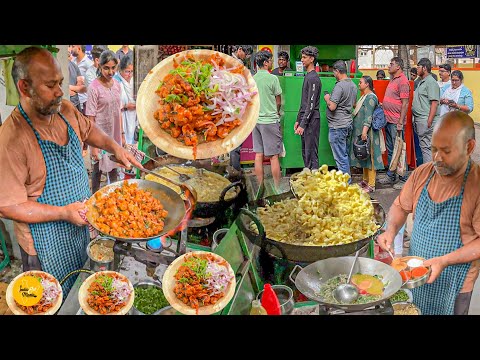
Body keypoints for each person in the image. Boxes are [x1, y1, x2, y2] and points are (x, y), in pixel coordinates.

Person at [0, 47, 141, 295]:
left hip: (79, 226)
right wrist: (64, 212)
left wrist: (114, 147)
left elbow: (88, 130)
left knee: (80, 290)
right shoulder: (11, 139)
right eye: (50, 85)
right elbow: (8, 205)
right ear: (24, 88)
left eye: (61, 83)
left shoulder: (63, 109)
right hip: (44, 243)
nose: (59, 92)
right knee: (50, 300)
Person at [377, 111, 480, 315]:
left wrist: (443, 261)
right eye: (433, 149)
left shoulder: (475, 185)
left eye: (446, 151)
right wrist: (391, 231)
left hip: (455, 283)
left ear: (469, 147)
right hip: (417, 276)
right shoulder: (423, 173)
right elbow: (400, 206)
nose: (437, 158)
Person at [86, 50, 125, 193]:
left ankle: (113, 197)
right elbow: (90, 117)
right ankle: (94, 196)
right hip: (99, 134)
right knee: (97, 170)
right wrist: (93, 146)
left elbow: (118, 111)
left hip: (114, 133)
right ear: (100, 67)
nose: (110, 72)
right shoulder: (94, 88)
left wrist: (122, 134)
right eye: (106, 68)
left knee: (114, 165)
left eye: (113, 68)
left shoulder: (117, 85)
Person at [252, 51, 283, 194]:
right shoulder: (273, 79)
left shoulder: (252, 79)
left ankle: (260, 187)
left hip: (256, 121)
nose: (272, 63)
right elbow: (278, 100)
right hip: (270, 121)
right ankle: (277, 188)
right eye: (270, 60)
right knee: (273, 156)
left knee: (258, 154)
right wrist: (276, 111)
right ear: (265, 63)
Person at [378, 57, 411, 189]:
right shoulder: (392, 79)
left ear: (398, 67)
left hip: (396, 121)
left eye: (391, 64)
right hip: (388, 120)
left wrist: (400, 122)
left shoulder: (403, 81)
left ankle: (403, 178)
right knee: (392, 149)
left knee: (400, 150)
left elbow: (405, 103)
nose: (388, 66)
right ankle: (391, 175)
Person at [349, 76, 382, 193]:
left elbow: (368, 116)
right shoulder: (364, 97)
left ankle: (371, 185)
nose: (358, 84)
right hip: (363, 132)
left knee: (371, 157)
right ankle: (365, 181)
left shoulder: (370, 98)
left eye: (360, 82)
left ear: (367, 84)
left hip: (369, 133)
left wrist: (364, 131)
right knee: (364, 156)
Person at [324, 59, 357, 178]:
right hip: (348, 124)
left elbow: (332, 106)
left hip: (337, 126)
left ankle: (345, 184)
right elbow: (354, 104)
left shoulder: (339, 86)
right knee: (345, 155)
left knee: (340, 157)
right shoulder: (353, 85)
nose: (333, 75)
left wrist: (327, 98)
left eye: (334, 72)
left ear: (337, 71)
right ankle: (345, 180)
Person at [294, 46, 321, 170]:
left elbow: (310, 104)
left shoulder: (314, 78)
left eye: (304, 57)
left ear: (312, 59)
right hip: (306, 119)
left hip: (312, 120)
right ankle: (308, 177)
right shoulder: (308, 76)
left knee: (311, 152)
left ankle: (313, 180)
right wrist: (298, 120)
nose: (302, 59)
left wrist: (303, 124)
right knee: (306, 151)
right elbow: (303, 102)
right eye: (302, 57)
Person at [229, 45, 254, 172]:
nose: (247, 57)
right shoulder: (236, 63)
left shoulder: (230, 61)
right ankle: (235, 171)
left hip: (231, 106)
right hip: (236, 107)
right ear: (239, 50)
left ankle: (233, 168)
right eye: (246, 53)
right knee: (236, 140)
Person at [412, 57, 441, 164]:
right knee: (426, 147)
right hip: (421, 119)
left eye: (418, 67)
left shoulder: (431, 82)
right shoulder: (421, 82)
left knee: (427, 148)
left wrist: (429, 121)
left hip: (426, 120)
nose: (417, 69)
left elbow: (434, 102)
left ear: (424, 68)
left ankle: (429, 175)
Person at [114, 56, 137, 145]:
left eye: (132, 71)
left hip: (132, 118)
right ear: (120, 70)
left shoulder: (134, 81)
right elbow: (112, 107)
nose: (130, 74)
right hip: (121, 119)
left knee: (132, 144)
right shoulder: (115, 82)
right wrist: (126, 107)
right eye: (127, 71)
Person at [71, 45, 93, 115]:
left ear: (79, 48)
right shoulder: (72, 61)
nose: (71, 48)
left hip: (85, 102)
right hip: (74, 101)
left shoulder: (89, 63)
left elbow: (90, 86)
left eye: (73, 46)